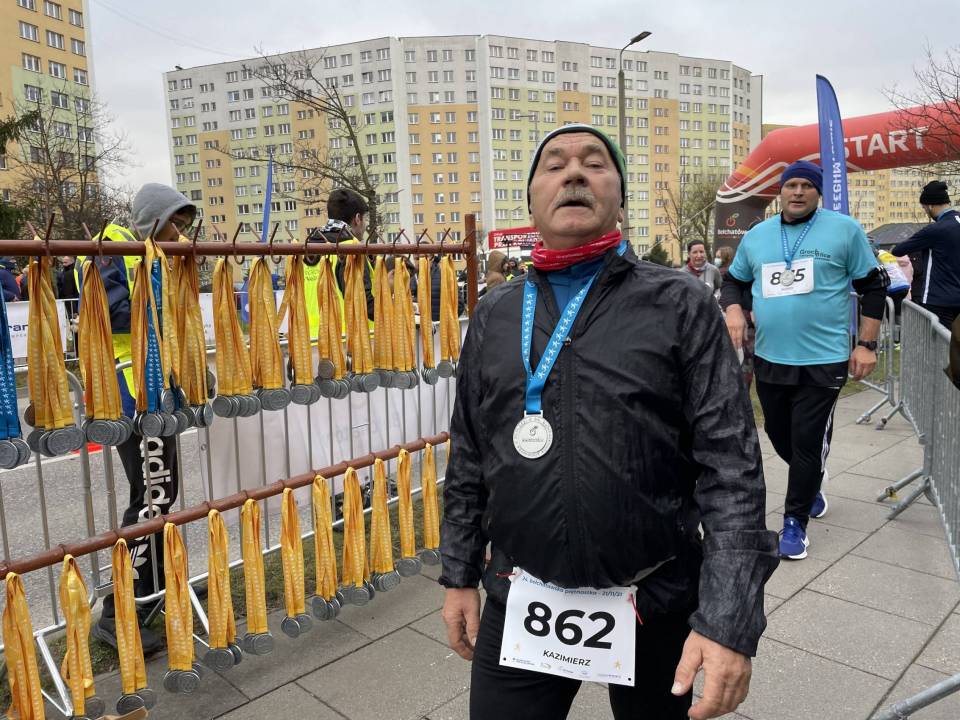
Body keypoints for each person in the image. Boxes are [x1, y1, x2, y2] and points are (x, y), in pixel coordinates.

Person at [440, 124, 778, 720]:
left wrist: (728, 619)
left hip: (657, 594)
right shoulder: (495, 312)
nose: (574, 173)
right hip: (523, 595)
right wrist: (459, 574)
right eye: (554, 164)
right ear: (531, 201)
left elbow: (731, 469)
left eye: (594, 163)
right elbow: (470, 451)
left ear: (620, 198)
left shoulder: (679, 303)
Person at [720, 160, 888, 560]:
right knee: (778, 433)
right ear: (780, 191)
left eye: (806, 186)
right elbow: (734, 281)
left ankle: (794, 523)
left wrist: (866, 344)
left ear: (818, 192)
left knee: (807, 440)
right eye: (791, 185)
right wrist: (733, 310)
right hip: (771, 357)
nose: (797, 192)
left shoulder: (844, 229)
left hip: (824, 358)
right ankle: (810, 482)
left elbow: (874, 286)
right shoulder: (758, 235)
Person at [86, 184, 196, 654]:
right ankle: (118, 612)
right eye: (176, 225)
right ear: (155, 221)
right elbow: (115, 314)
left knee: (162, 492)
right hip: (129, 394)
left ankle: (153, 591)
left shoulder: (152, 256)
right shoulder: (111, 249)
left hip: (154, 392)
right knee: (148, 496)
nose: (181, 235)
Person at [891, 181, 960, 329]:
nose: (926, 212)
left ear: (930, 206)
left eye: (924, 208)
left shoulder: (935, 229)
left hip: (939, 300)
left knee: (938, 342)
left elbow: (898, 250)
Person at [715, 245, 755, 389]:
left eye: (718, 257)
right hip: (731, 321)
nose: (716, 259)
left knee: (743, 364)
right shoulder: (718, 273)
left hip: (745, 323)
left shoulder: (736, 275)